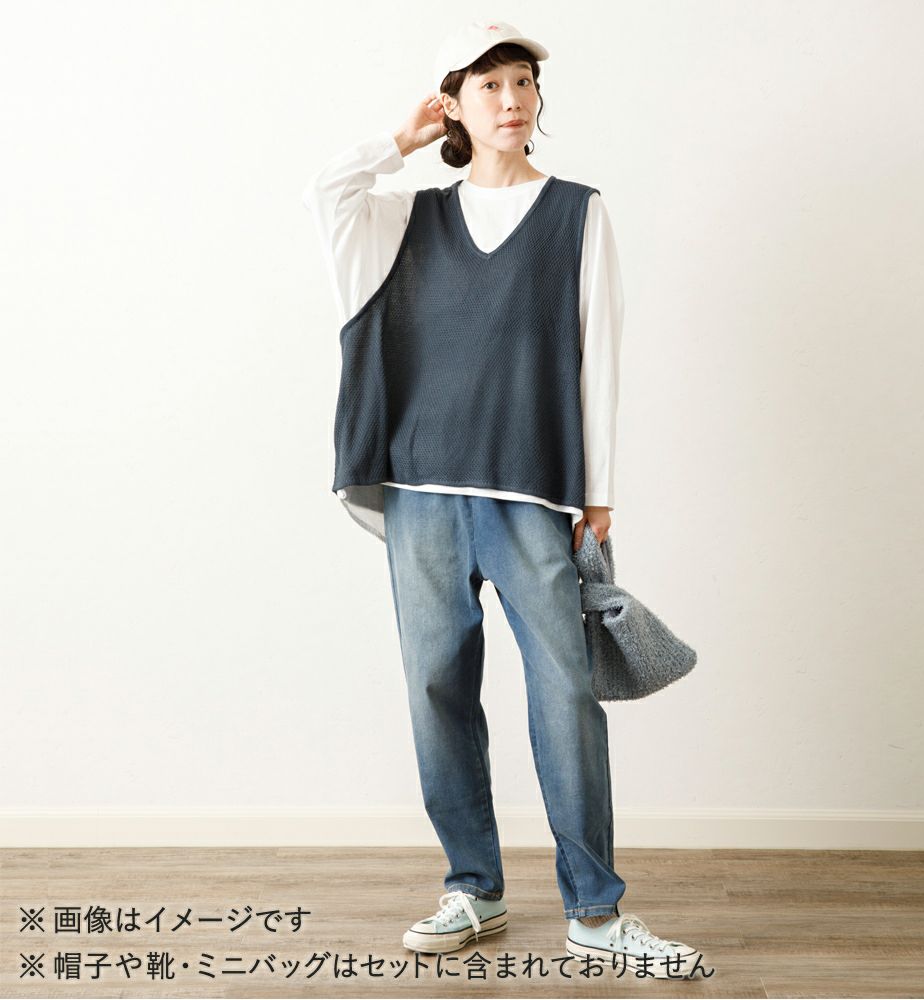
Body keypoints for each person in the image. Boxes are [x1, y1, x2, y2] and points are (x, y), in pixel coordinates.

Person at [302, 18, 703, 981]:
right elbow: (326, 192)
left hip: (529, 490)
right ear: (455, 104)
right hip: (421, 490)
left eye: (522, 82)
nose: (513, 99)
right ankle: (472, 888)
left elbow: (598, 351)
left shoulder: (578, 213)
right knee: (436, 688)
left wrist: (597, 492)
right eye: (489, 85)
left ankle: (595, 912)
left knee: (565, 694)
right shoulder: (407, 217)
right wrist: (399, 141)